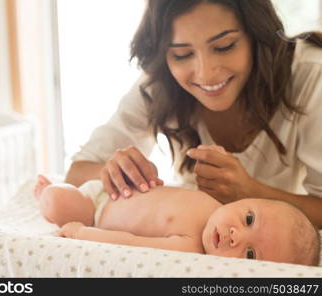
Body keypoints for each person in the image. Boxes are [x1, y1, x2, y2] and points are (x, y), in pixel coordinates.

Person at [64, 0, 322, 229]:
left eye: (224, 46)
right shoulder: (160, 83)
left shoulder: (312, 75)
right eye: (182, 54)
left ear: (258, 36)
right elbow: (77, 172)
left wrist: (250, 191)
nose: (206, 73)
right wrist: (116, 173)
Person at [34, 171, 320, 266]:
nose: (237, 235)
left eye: (249, 255)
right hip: (113, 188)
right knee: (67, 187)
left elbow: (131, 243)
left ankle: (45, 193)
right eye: (248, 219)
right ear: (245, 200)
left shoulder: (190, 248)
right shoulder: (215, 202)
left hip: (94, 212)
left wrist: (83, 233)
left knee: (56, 201)